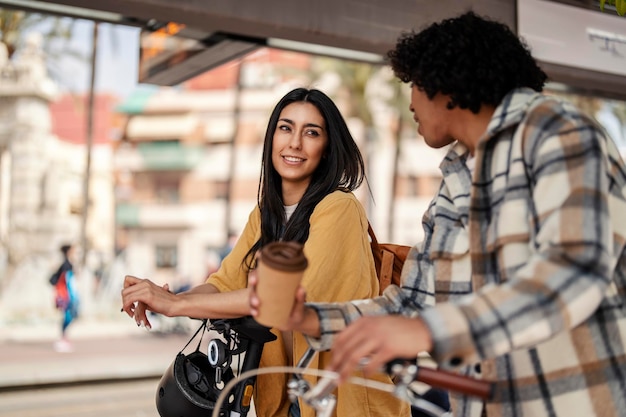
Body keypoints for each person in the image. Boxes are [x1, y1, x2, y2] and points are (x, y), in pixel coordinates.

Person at [250, 12, 626, 417]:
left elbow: (574, 269)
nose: (410, 101)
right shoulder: (455, 181)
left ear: (446, 84)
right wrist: (309, 318)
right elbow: (412, 303)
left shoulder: (559, 134)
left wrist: (424, 330)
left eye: (414, 84)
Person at [121, 87, 410, 417]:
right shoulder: (263, 216)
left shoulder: (339, 208)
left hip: (344, 400)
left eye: (311, 132)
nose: (295, 143)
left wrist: (176, 304)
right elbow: (223, 284)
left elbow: (285, 299)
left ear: (327, 149)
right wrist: (161, 296)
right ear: (271, 138)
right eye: (285, 128)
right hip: (288, 401)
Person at [51, 244, 80, 353]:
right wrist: (73, 296)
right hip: (66, 295)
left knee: (69, 316)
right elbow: (68, 282)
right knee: (68, 316)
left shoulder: (66, 264)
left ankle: (64, 337)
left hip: (66, 295)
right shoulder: (66, 265)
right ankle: (62, 338)